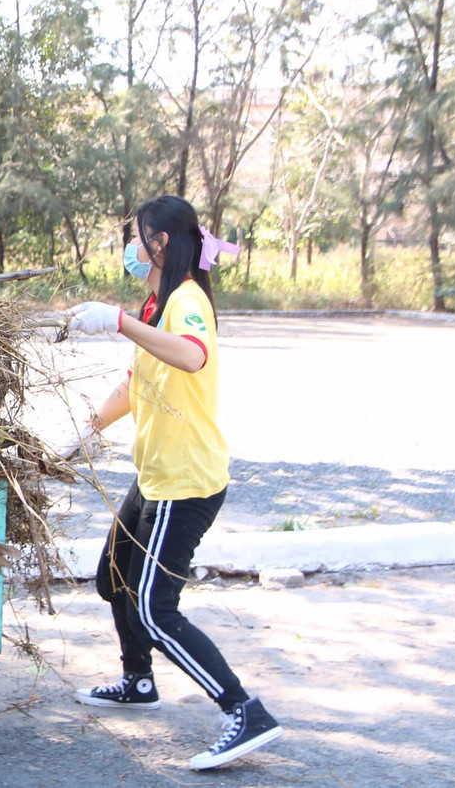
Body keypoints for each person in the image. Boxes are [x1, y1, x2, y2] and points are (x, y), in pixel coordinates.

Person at [63, 195, 282, 771]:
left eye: (136, 237)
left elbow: (189, 357)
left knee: (156, 610)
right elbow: (139, 379)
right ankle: (138, 681)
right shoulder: (159, 300)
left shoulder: (186, 302)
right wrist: (88, 428)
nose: (131, 249)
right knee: (114, 579)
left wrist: (117, 321)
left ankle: (244, 711)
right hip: (156, 475)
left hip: (185, 484)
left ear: (160, 242)